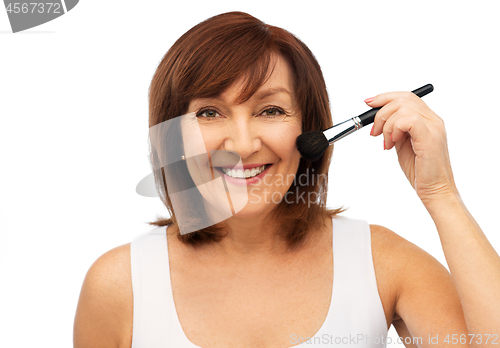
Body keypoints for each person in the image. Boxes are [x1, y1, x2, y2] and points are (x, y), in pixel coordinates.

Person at [73, 11, 500, 348]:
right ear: (172, 135)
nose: (241, 145)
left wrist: (440, 193)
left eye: (271, 110)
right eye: (208, 112)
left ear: (310, 128)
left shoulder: (383, 263)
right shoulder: (119, 284)